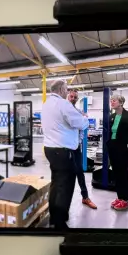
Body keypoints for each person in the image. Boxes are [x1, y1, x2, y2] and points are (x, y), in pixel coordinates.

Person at [42, 80, 88, 229]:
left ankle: (54, 216)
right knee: (65, 186)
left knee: (56, 183)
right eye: (67, 90)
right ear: (61, 89)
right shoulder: (63, 104)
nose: (67, 93)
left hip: (50, 149)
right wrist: (85, 119)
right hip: (63, 151)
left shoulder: (46, 104)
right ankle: (60, 223)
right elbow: (80, 123)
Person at [67, 89, 98, 210]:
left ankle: (85, 197)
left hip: (75, 146)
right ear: (67, 96)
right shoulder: (63, 109)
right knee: (65, 175)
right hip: (64, 147)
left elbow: (83, 125)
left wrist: (79, 141)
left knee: (80, 172)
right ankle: (64, 203)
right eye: (71, 96)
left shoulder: (78, 111)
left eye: (75, 97)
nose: (73, 98)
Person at [107, 94, 128, 212]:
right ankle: (119, 197)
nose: (112, 102)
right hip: (113, 147)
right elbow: (110, 132)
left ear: (121, 103)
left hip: (123, 149)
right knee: (116, 173)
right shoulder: (112, 116)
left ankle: (125, 200)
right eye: (111, 100)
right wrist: (108, 145)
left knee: (124, 174)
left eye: (114, 100)